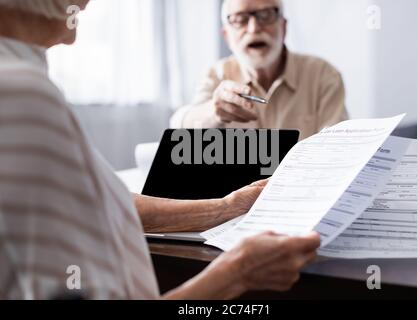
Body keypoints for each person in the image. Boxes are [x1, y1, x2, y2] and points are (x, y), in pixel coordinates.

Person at [0, 0, 320, 300]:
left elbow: (106, 205)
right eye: (241, 19)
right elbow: (182, 122)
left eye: (266, 16)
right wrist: (237, 273)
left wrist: (229, 206)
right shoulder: (22, 94)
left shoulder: (24, 83)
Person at [171, 0, 349, 140]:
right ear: (227, 36)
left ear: (284, 27)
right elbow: (179, 128)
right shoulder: (216, 75)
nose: (254, 28)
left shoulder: (322, 75)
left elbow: (337, 147)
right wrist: (214, 111)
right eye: (240, 19)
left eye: (266, 15)